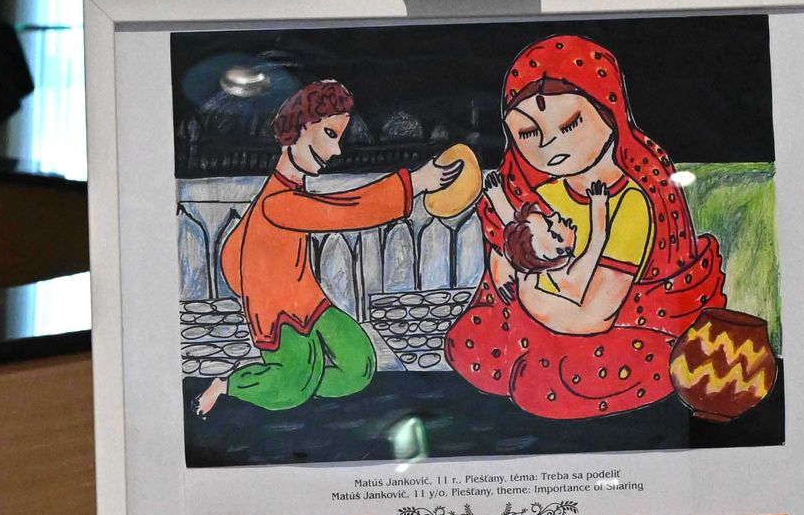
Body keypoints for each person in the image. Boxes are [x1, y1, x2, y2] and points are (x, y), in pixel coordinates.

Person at [444, 34, 729, 419]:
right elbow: (514, 253)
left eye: (570, 125)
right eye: (527, 133)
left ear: (610, 111)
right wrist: (508, 267)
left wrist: (536, 299)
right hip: (546, 315)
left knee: (554, 379)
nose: (548, 145)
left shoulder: (631, 201)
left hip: (611, 325)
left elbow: (595, 313)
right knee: (471, 341)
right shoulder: (545, 192)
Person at [197, 82, 465, 417]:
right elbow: (345, 211)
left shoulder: (283, 195)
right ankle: (228, 385)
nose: (336, 151)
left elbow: (232, 251)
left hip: (311, 303)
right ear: (300, 127)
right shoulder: (276, 203)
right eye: (330, 134)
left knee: (359, 367)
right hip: (279, 317)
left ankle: (304, 381)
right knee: (291, 387)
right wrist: (414, 183)